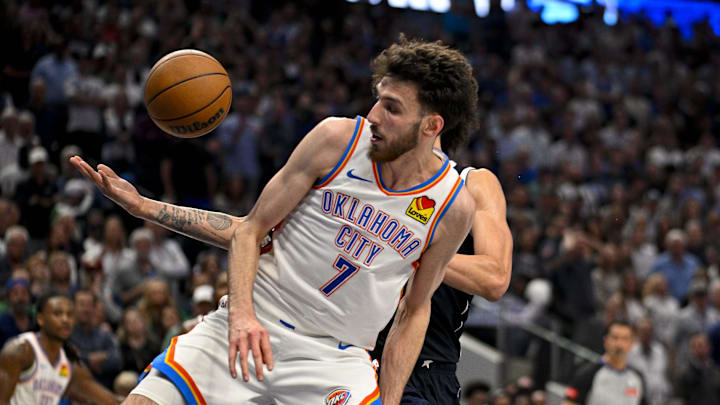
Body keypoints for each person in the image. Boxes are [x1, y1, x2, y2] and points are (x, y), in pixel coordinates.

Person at [70, 36, 477, 405]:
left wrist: (389, 401)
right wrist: (241, 314)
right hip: (252, 320)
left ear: (432, 125)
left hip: (335, 358)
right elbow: (249, 230)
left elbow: (415, 310)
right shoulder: (338, 140)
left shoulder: (452, 206)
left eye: (391, 108)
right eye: (377, 98)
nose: (373, 114)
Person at [371, 152, 513, 404]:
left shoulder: (472, 183)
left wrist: (410, 248)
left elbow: (495, 278)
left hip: (428, 364)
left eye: (394, 110)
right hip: (358, 353)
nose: (375, 119)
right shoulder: (364, 173)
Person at [0, 289, 119, 405]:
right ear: (40, 319)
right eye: (57, 313)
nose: (65, 320)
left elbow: (109, 400)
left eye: (69, 314)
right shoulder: (20, 350)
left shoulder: (70, 363)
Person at [563, 321, 647, 405]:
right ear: (606, 341)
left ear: (632, 343)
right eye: (615, 338)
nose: (619, 344)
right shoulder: (587, 374)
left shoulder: (637, 378)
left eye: (625, 339)